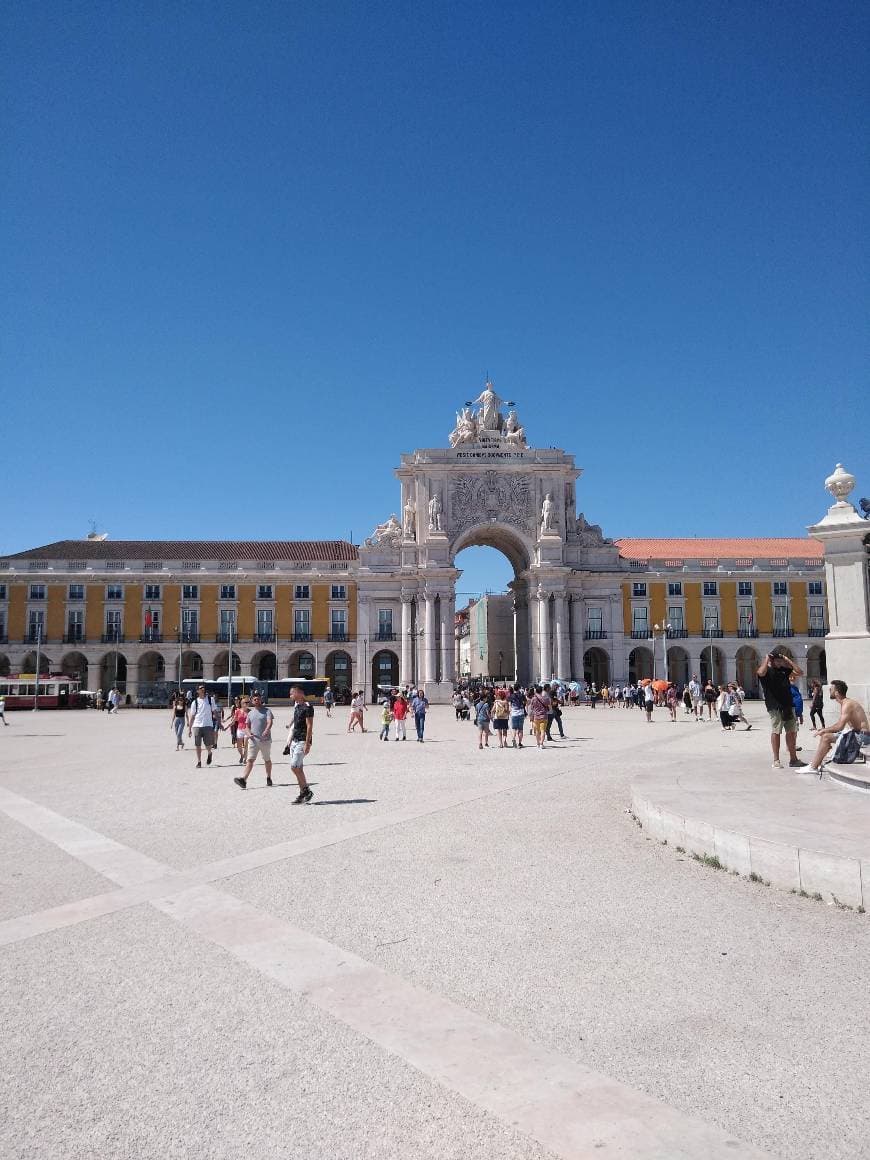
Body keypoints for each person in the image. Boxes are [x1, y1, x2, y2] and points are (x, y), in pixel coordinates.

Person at [757, 650, 807, 771]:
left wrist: (787, 660)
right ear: (772, 661)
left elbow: (800, 672)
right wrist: (766, 659)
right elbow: (760, 672)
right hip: (774, 706)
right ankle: (776, 760)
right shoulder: (767, 671)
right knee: (776, 731)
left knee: (791, 732)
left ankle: (793, 759)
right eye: (777, 660)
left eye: (780, 660)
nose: (779, 662)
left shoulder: (784, 671)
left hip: (788, 705)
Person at [806, 680, 870, 775]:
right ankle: (815, 764)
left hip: (863, 736)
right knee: (826, 736)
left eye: (831, 689)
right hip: (856, 733)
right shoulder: (845, 703)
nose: (829, 691)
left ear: (836, 692)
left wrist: (823, 730)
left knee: (826, 736)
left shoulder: (847, 704)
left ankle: (813, 767)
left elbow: (839, 726)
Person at [233, 692, 274, 789]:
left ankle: (268, 777)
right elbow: (246, 726)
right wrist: (248, 733)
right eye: (255, 699)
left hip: (265, 740)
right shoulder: (250, 713)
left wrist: (267, 729)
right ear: (252, 701)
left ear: (261, 699)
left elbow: (270, 721)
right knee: (250, 760)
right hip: (253, 740)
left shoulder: (267, 711)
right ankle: (244, 779)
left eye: (258, 699)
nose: (256, 701)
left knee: (267, 760)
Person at [283, 685, 314, 803]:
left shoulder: (308, 707)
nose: (290, 695)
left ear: (299, 693)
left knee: (294, 766)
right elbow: (295, 724)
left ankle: (306, 790)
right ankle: (303, 793)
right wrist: (289, 741)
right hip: (295, 740)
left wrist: (307, 743)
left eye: (292, 693)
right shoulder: (297, 706)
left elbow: (310, 726)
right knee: (298, 768)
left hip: (302, 740)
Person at [187, 683, 217, 767]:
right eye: (201, 688)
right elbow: (192, 716)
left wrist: (220, 722)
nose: (203, 689)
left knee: (208, 744)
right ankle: (199, 761)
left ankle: (209, 753)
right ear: (197, 691)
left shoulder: (211, 700)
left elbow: (214, 711)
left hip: (208, 725)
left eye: (203, 688)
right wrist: (189, 729)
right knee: (198, 744)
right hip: (197, 725)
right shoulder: (194, 702)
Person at [231, 696, 250, 765]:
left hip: (247, 730)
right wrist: (226, 727)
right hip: (239, 729)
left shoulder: (250, 711)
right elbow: (233, 721)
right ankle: (242, 755)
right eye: (245, 702)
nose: (247, 704)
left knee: (245, 745)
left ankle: (245, 759)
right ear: (242, 703)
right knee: (239, 747)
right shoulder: (238, 711)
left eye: (248, 702)